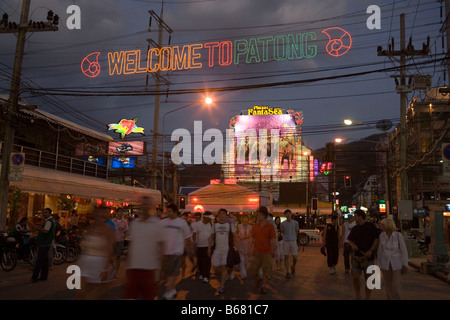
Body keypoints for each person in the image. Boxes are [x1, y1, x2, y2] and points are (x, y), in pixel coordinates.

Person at [125, 196, 165, 300]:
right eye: (143, 204)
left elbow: (161, 248)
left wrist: (160, 270)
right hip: (133, 269)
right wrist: (128, 267)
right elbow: (132, 246)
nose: (145, 206)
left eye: (148, 204)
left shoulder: (157, 224)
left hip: (150, 270)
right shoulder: (134, 224)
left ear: (152, 206)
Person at [76, 206, 116, 300]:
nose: (99, 215)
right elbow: (84, 244)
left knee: (100, 291)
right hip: (86, 260)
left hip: (100, 262)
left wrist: (105, 268)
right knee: (80, 291)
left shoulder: (108, 228)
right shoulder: (90, 227)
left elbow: (110, 248)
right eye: (97, 213)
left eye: (102, 213)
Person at [160, 204, 192, 300]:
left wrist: (185, 248)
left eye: (170, 211)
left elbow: (187, 237)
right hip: (165, 252)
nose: (168, 213)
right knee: (166, 273)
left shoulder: (182, 223)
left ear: (175, 212)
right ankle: (172, 289)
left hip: (176, 252)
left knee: (173, 272)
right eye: (167, 211)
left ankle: (169, 291)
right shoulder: (163, 222)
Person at [347, 209, 379, 300]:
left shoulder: (371, 226)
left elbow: (376, 239)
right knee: (355, 277)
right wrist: (352, 245)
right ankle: (357, 295)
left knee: (368, 278)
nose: (354, 218)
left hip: (369, 257)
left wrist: (371, 250)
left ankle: (367, 297)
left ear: (360, 216)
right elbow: (349, 240)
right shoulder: (355, 228)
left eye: (355, 216)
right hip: (357, 257)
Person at [377, 217, 408, 300]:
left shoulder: (398, 236)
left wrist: (405, 263)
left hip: (396, 263)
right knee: (388, 285)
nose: (381, 226)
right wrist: (378, 264)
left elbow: (403, 250)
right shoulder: (382, 236)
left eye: (383, 225)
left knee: (396, 285)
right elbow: (380, 250)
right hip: (385, 263)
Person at [249, 206, 277, 294]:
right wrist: (249, 249)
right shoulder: (255, 226)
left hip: (267, 252)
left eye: (260, 214)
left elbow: (273, 239)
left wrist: (274, 249)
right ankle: (258, 279)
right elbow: (251, 238)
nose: (258, 216)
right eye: (258, 214)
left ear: (264, 216)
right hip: (256, 251)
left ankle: (263, 286)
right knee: (253, 270)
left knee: (266, 270)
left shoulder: (270, 226)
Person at [208, 208, 236, 294]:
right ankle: (228, 272)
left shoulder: (230, 224)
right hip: (217, 250)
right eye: (220, 214)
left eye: (224, 214)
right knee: (216, 268)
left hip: (226, 250)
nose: (222, 216)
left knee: (223, 267)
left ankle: (222, 286)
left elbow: (234, 235)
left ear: (226, 216)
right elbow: (211, 237)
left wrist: (233, 247)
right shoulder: (214, 224)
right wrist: (209, 248)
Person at [31, 208, 55, 283]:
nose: (44, 214)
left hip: (44, 243)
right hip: (45, 243)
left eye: (46, 212)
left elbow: (45, 231)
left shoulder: (49, 221)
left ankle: (34, 277)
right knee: (44, 261)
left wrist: (38, 228)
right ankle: (43, 276)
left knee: (39, 261)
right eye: (43, 212)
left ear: (50, 213)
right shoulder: (48, 221)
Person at [192, 212, 214, 283]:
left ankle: (206, 276)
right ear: (205, 218)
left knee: (207, 261)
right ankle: (201, 273)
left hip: (208, 245)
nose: (211, 219)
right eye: (209, 218)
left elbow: (212, 236)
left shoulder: (211, 224)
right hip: (199, 246)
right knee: (200, 261)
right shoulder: (197, 224)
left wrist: (210, 248)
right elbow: (194, 234)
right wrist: (195, 243)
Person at [280, 209, 299, 278]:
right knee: (286, 257)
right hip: (286, 241)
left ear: (291, 214)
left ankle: (293, 266)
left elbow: (296, 231)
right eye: (286, 214)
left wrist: (295, 238)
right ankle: (288, 272)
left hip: (293, 240)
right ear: (285, 215)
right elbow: (282, 231)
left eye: (289, 213)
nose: (288, 215)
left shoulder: (295, 223)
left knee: (295, 257)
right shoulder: (283, 224)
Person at [113, 208, 129, 278]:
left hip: (120, 241)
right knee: (111, 256)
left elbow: (127, 231)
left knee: (118, 256)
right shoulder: (112, 221)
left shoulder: (124, 222)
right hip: (112, 241)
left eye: (122, 212)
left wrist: (123, 236)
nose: (120, 213)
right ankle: (112, 269)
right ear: (116, 213)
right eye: (119, 212)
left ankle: (116, 272)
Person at [236, 214, 252, 279]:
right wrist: (240, 237)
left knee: (246, 260)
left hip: (247, 244)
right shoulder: (239, 226)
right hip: (241, 243)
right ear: (242, 219)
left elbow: (252, 235)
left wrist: (246, 236)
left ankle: (243, 270)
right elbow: (236, 234)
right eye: (244, 218)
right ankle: (243, 274)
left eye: (246, 218)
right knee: (241, 259)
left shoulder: (250, 227)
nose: (245, 220)